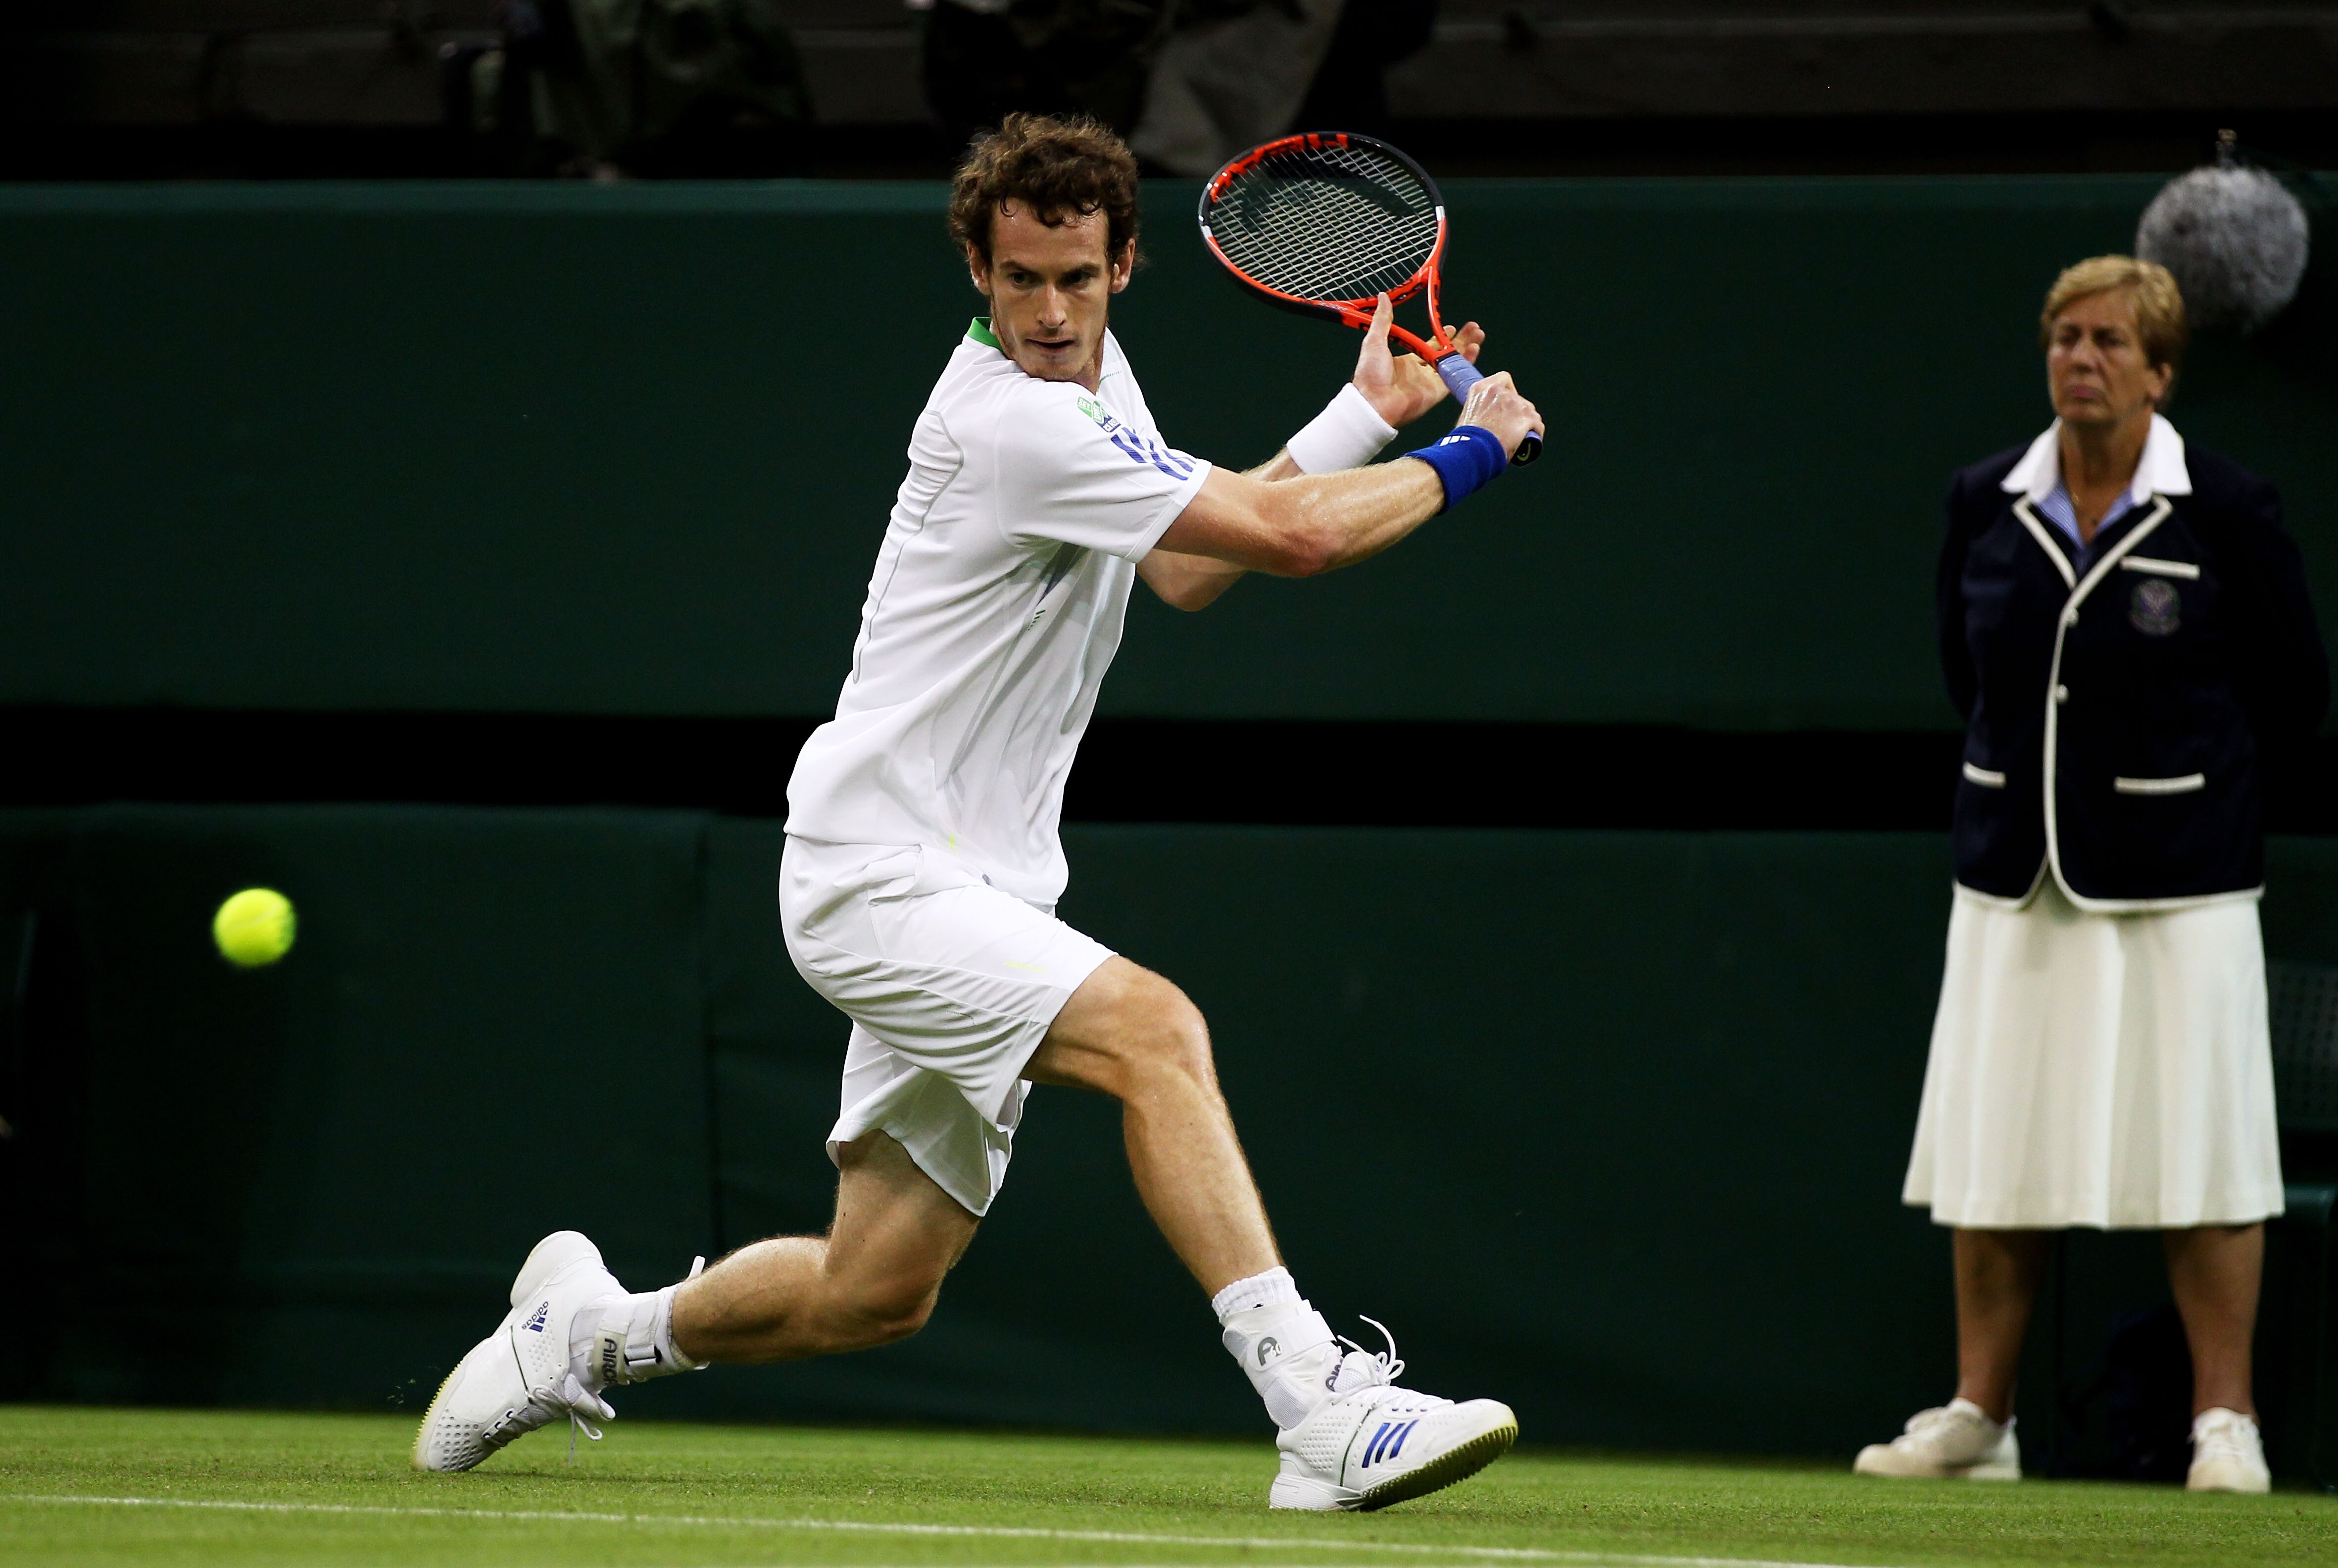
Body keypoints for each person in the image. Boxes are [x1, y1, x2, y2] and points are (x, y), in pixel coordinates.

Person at [414, 112, 1545, 1511]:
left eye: (1075, 278)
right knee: (1155, 1033)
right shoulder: (1010, 420)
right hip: (878, 875)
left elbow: (1186, 570)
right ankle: (1312, 1403)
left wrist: (1367, 415)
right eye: (1021, 281)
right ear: (977, 269)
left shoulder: (1091, 388)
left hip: (977, 890)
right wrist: (1476, 449)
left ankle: (583, 1335)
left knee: (869, 1293)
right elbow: (1295, 540)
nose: (1051, 313)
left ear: (1122, 265)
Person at [1856, 256, 2327, 1493]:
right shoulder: (1983, 500)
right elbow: (1970, 679)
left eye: (2109, 341)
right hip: (2012, 873)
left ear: (2161, 371)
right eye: (2064, 336)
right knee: (1991, 1149)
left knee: (2203, 1151)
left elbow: (2293, 694)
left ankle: (2225, 1425)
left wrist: (2181, 798)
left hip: (2185, 882)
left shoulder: (2226, 507)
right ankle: (1979, 1418)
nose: (2080, 358)